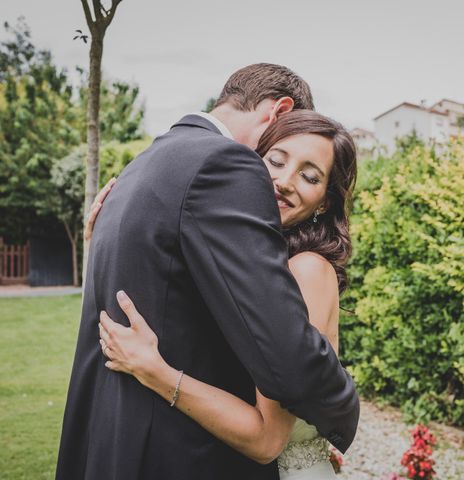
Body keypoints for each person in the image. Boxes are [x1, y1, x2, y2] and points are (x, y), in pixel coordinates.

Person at [56, 64, 359, 480]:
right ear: (277, 112)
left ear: (325, 201)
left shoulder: (142, 167)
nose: (280, 180)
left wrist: (341, 406)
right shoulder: (222, 170)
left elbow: (276, 411)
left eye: (309, 176)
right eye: (272, 157)